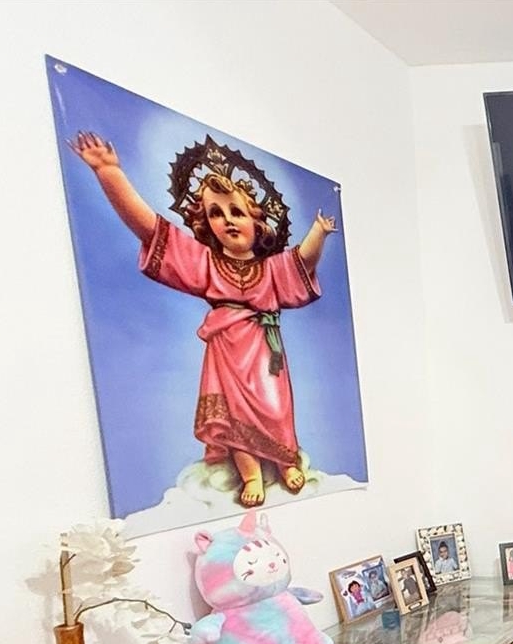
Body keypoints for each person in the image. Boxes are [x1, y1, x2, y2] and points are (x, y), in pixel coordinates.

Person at [69, 132, 339, 508]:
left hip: (265, 352)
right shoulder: (206, 263)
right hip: (226, 353)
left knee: (276, 407)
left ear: (257, 221)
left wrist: (318, 233)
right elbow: (149, 228)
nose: (227, 220)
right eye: (216, 213)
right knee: (233, 416)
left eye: (236, 212)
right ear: (206, 223)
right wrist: (109, 173)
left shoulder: (271, 268)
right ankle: (251, 475)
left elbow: (302, 262)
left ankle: (285, 462)